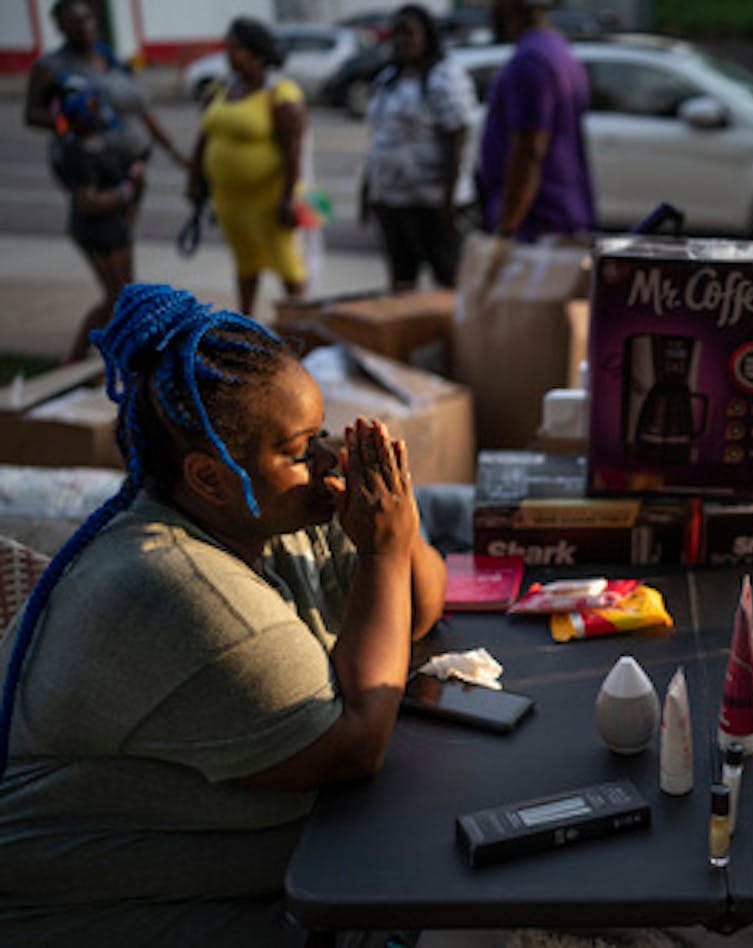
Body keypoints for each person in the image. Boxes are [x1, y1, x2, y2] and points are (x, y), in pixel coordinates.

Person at [0, 283, 447, 944]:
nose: (325, 460)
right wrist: (382, 551)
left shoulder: (272, 511)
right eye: (299, 451)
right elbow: (352, 749)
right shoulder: (173, 591)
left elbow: (415, 611)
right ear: (209, 478)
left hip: (250, 883)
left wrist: (395, 530)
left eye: (321, 433)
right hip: (95, 920)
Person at [24, 0, 188, 359]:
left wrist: (174, 155)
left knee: (125, 285)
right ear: (61, 28)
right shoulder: (53, 68)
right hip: (99, 178)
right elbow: (33, 114)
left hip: (124, 171)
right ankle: (83, 357)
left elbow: (142, 111)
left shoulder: (107, 57)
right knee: (120, 291)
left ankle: (121, 352)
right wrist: (71, 122)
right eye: (73, 22)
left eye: (86, 18)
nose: (83, 26)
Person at [187, 17, 309, 317]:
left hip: (270, 200)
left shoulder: (280, 95)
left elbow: (293, 152)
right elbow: (204, 139)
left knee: (287, 265)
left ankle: (300, 323)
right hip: (231, 201)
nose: (229, 54)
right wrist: (195, 178)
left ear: (257, 52)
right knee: (245, 263)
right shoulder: (221, 91)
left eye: (236, 48)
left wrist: (288, 198)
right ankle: (246, 321)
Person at [361, 3, 478, 289]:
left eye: (409, 33)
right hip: (392, 200)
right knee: (401, 279)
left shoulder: (444, 77)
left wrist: (448, 203)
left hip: (433, 203)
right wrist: (367, 191)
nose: (402, 41)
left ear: (427, 36)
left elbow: (457, 139)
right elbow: (379, 140)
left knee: (446, 280)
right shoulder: (389, 79)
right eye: (397, 34)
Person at [477, 0, 596, 241]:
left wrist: (507, 227)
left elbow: (529, 151)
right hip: (556, 214)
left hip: (536, 222)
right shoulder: (558, 50)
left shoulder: (530, 61)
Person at [47, 80, 145, 361]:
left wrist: (133, 186)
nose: (98, 113)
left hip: (115, 226)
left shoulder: (104, 142)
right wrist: (125, 192)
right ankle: (77, 356)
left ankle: (121, 354)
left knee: (126, 295)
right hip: (96, 230)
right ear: (76, 117)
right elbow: (88, 202)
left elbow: (130, 171)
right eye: (90, 109)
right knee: (116, 297)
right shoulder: (75, 153)